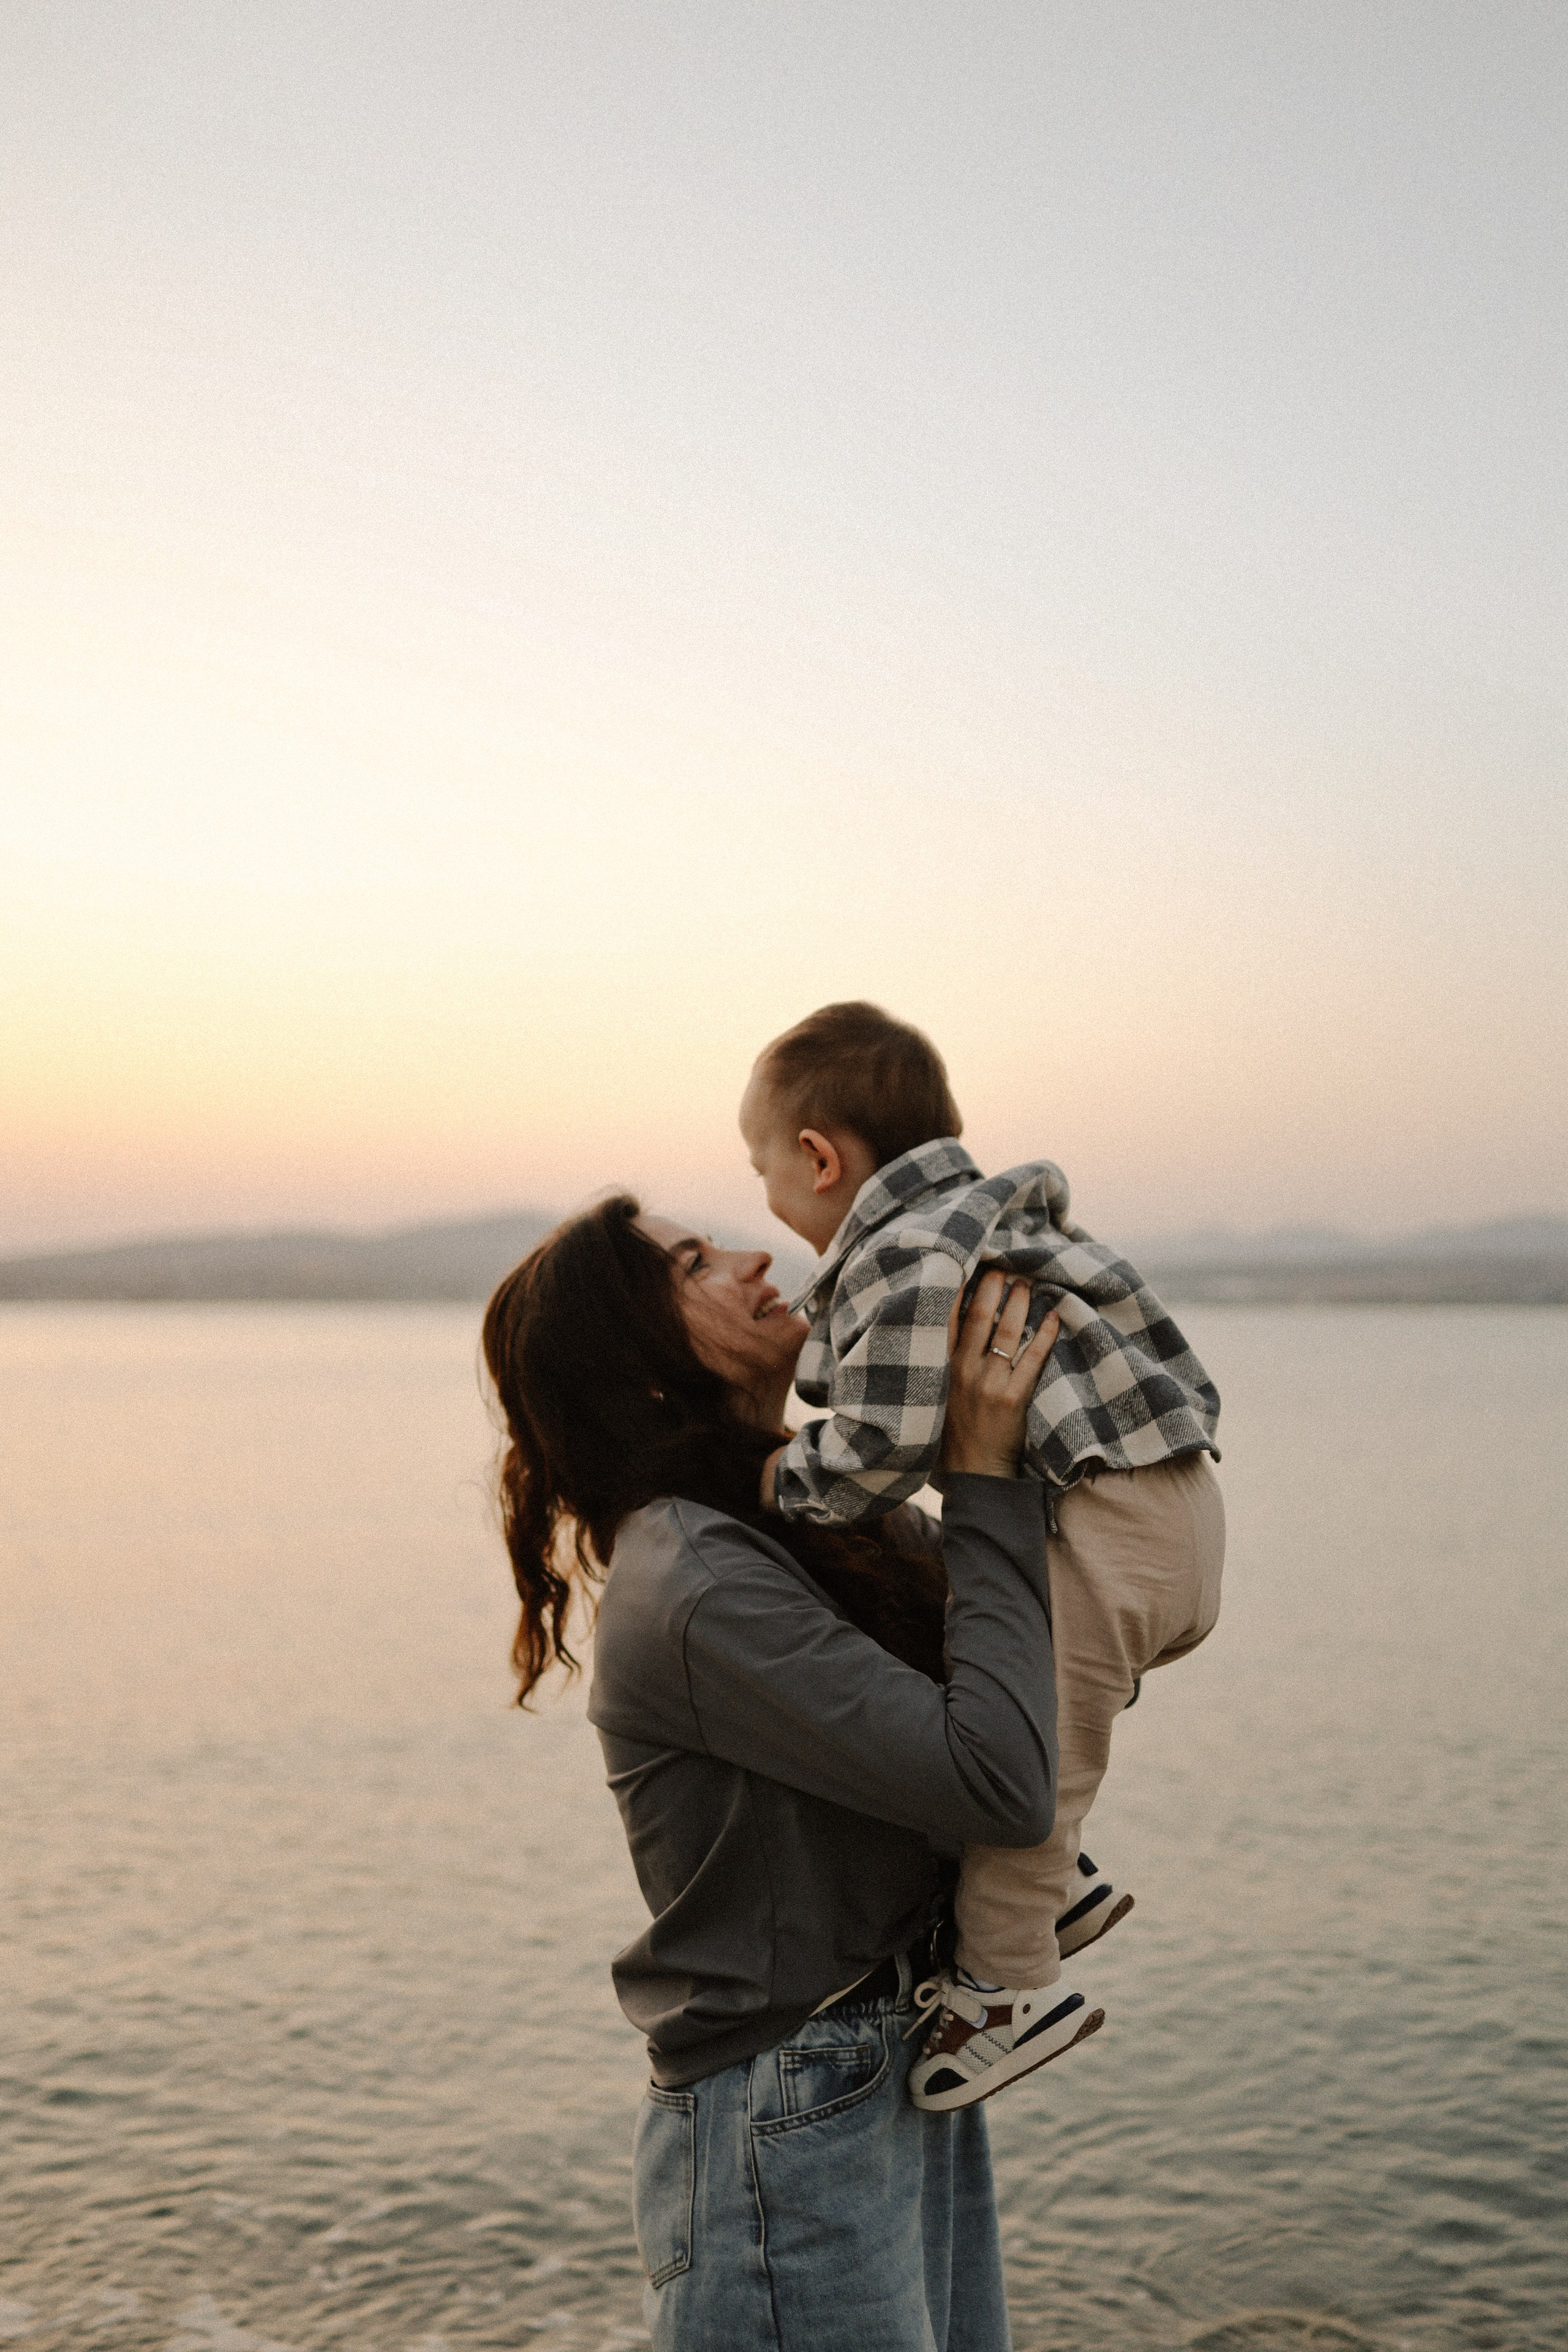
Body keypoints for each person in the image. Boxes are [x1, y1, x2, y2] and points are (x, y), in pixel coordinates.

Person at [482, 1194, 1076, 2352]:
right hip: (789, 2102)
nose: (757, 1257)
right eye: (696, 1264)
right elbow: (1002, 1778)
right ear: (643, 1371)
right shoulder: (698, 1578)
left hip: (872, 2062)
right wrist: (985, 1474)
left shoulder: (791, 1521)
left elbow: (1028, 1654)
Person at [739, 1000, 1226, 2112]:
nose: (761, 1196)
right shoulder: (1002, 1222)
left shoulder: (911, 1252)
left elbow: (880, 1447)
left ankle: (1010, 1987)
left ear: (819, 1159)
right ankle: (1053, 1890)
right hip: (1168, 1500)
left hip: (1110, 1522)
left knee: (1034, 1755)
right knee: (1005, 1688)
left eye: (759, 1166)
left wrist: (771, 1476)